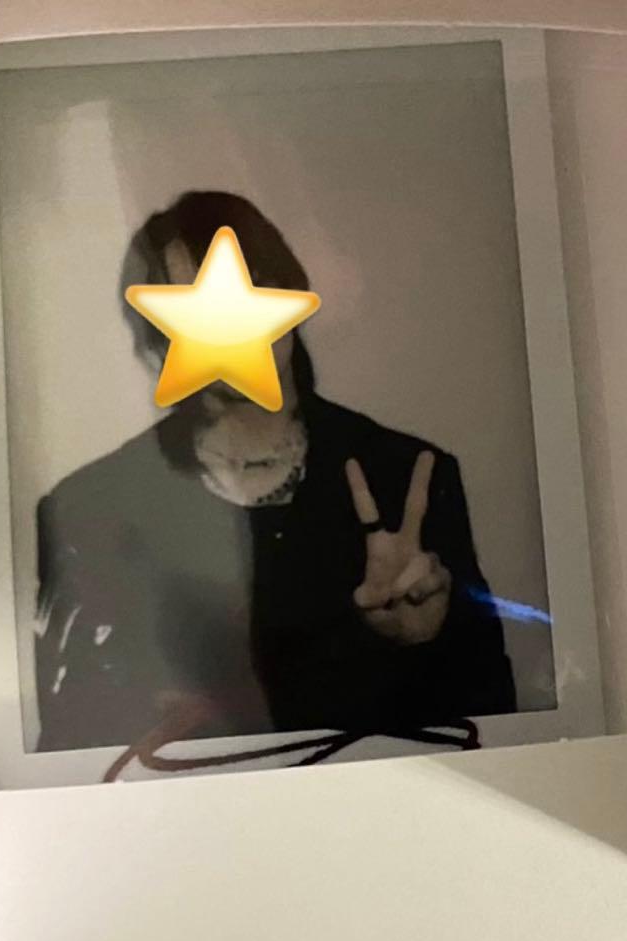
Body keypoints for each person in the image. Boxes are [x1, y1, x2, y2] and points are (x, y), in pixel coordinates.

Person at [35, 191, 515, 769]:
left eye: (247, 286)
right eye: (190, 303)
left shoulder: (406, 475)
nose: (225, 322)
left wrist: (424, 640)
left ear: (290, 294)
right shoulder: (91, 507)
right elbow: (65, 748)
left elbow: (498, 720)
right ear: (155, 332)